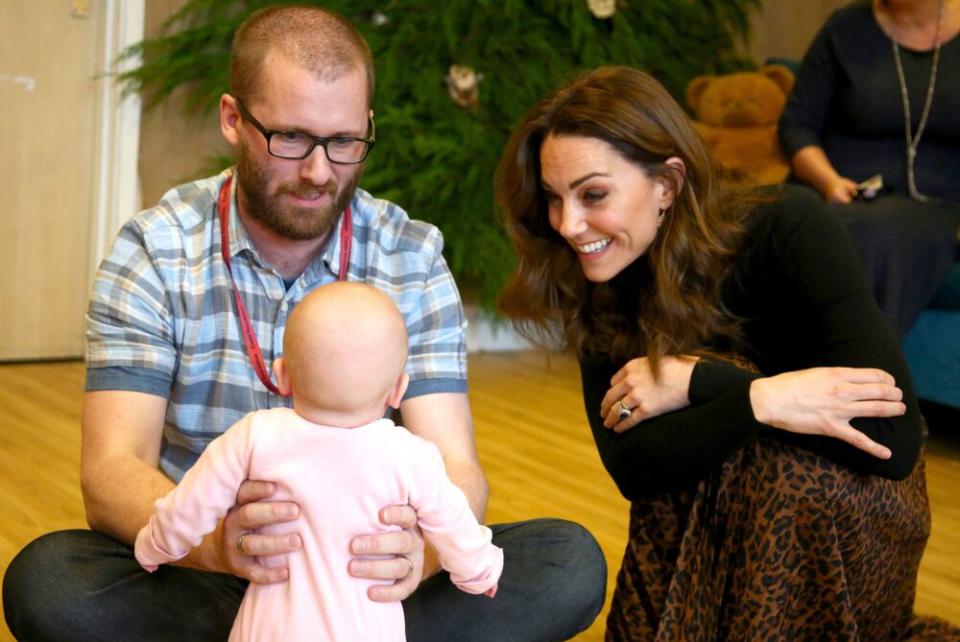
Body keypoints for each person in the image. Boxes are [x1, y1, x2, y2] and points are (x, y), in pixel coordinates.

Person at [2, 6, 605, 641]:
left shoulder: (410, 255)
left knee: (566, 561)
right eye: (291, 138)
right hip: (202, 566)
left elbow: (456, 466)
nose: (319, 171)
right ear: (233, 118)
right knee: (49, 581)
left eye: (344, 143)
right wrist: (216, 546)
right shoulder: (157, 248)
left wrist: (420, 559)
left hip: (363, 584)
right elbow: (112, 468)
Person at [495, 65, 960, 640]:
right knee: (701, 463)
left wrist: (705, 384)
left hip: (845, 522)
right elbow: (634, 470)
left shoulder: (786, 224)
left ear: (667, 183)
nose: (568, 224)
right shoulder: (597, 275)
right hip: (704, 526)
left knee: (778, 476)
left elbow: (894, 446)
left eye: (593, 194)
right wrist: (759, 399)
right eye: (552, 198)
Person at [134, 282, 503, 641]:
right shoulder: (410, 454)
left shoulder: (254, 435)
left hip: (268, 628)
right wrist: (480, 572)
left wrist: (156, 545)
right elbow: (455, 526)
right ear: (397, 390)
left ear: (281, 376)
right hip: (368, 627)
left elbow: (189, 507)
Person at [778, 0, 960, 339]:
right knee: (782, 220)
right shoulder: (844, 28)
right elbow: (796, 127)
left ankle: (854, 373)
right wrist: (829, 182)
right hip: (839, 192)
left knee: (879, 231)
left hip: (936, 205)